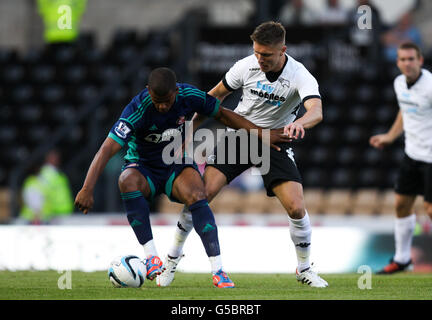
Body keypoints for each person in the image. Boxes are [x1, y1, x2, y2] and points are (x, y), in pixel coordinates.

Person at [74, 67, 290, 288]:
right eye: (157, 100)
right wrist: (87, 188)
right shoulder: (137, 108)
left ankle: (218, 271)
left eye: (166, 100)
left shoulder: (189, 96)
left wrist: (262, 134)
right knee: (126, 180)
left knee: (198, 193)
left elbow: (224, 114)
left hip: (174, 163)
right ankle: (151, 258)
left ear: (176, 91)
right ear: (148, 91)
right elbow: (107, 149)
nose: (162, 106)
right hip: (143, 167)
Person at [158, 21, 328, 288]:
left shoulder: (300, 75)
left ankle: (304, 268)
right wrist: (187, 135)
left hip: (275, 141)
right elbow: (212, 98)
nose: (260, 59)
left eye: (267, 55)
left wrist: (299, 123)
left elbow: (316, 111)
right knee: (199, 197)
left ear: (282, 50)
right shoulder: (245, 66)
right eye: (257, 52)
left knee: (296, 207)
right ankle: (170, 261)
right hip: (241, 135)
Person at [369, 42, 432, 274]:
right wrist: (390, 136)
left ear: (420, 60)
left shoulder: (430, 86)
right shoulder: (399, 83)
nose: (406, 63)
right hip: (412, 154)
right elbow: (404, 111)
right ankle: (403, 259)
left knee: (430, 209)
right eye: (402, 59)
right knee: (401, 204)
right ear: (398, 62)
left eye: (411, 59)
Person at [19, 150, 74, 224]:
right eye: (52, 158)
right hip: (40, 218)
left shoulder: (59, 175)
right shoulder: (37, 181)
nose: (55, 160)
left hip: (59, 215)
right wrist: (37, 215)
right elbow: (35, 199)